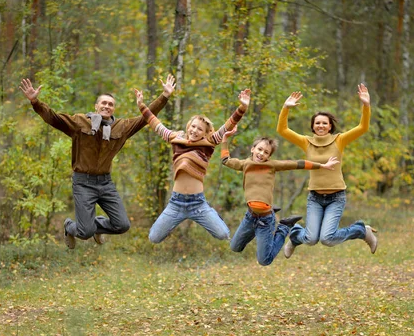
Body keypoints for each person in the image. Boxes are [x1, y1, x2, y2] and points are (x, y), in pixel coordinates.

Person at [19, 74, 176, 249]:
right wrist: (35, 102)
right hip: (83, 183)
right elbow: (54, 118)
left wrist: (165, 96)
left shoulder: (121, 127)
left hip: (105, 183)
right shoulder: (80, 122)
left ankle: (98, 225)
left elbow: (145, 119)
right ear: (96, 106)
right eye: (104, 103)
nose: (107, 106)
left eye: (111, 104)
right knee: (85, 232)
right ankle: (70, 226)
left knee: (122, 225)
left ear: (113, 109)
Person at [133, 87, 250, 243]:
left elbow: (228, 125)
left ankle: (211, 214)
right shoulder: (175, 138)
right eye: (193, 126)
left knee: (223, 234)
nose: (195, 130)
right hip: (176, 203)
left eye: (200, 129)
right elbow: (155, 123)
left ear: (205, 132)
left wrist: (242, 108)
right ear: (188, 126)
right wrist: (141, 105)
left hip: (198, 203)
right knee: (154, 238)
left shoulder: (209, 142)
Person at [277, 84, 378, 258]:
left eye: (325, 123)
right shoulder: (306, 142)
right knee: (310, 239)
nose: (321, 125)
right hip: (315, 197)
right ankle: (295, 236)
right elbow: (282, 130)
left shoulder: (339, 140)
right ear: (313, 126)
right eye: (317, 123)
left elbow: (363, 128)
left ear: (330, 126)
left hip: (336, 197)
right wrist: (285, 108)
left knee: (327, 239)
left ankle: (361, 230)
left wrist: (366, 106)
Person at [221, 130, 340, 266]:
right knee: (234, 247)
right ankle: (271, 214)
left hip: (265, 220)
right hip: (250, 216)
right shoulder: (245, 164)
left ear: (269, 156)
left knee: (264, 260)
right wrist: (224, 139)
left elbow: (296, 164)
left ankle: (284, 226)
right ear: (253, 149)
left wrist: (322, 166)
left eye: (266, 152)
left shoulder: (272, 165)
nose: (261, 154)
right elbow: (225, 160)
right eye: (259, 149)